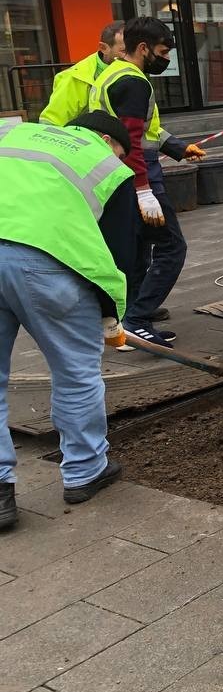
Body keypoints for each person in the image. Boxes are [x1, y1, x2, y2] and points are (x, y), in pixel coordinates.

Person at [0, 112, 139, 528]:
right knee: (75, 373)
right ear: (105, 138)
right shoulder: (108, 166)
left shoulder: (11, 130)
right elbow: (116, 254)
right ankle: (85, 470)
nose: (119, 156)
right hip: (49, 268)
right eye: (120, 148)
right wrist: (110, 315)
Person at [89, 17, 206, 348]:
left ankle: (127, 323)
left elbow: (139, 129)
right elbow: (133, 141)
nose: (165, 58)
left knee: (137, 252)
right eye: (161, 51)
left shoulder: (111, 74)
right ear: (142, 48)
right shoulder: (134, 82)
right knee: (171, 247)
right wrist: (144, 192)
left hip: (116, 173)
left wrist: (179, 148)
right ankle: (138, 318)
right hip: (137, 174)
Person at [40, 20, 127, 127]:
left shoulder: (134, 68)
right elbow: (51, 123)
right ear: (103, 48)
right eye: (124, 51)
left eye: (134, 49)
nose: (131, 56)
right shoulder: (76, 78)